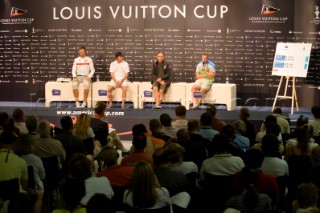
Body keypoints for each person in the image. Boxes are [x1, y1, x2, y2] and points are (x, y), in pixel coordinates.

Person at [124, 161, 190, 210]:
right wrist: (158, 186)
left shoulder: (127, 194)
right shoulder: (162, 192)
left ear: (134, 177)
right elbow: (168, 204)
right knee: (185, 195)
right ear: (152, 177)